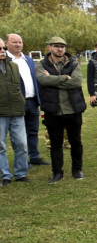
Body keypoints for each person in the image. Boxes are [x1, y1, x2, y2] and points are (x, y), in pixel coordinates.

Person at [35, 37, 86, 183]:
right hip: (53, 110)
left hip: (72, 109)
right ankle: (57, 172)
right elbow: (42, 80)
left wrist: (53, 79)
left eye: (62, 46)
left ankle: (77, 170)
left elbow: (76, 82)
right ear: (49, 47)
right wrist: (64, 78)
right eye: (56, 46)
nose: (60, 49)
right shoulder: (41, 64)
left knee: (76, 141)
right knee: (55, 143)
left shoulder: (73, 63)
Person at [5, 33, 48, 165]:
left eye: (20, 42)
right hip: (17, 103)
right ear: (6, 44)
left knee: (33, 130)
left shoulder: (28, 59)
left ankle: (34, 157)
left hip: (32, 101)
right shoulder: (5, 60)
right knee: (19, 134)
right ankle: (23, 161)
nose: (18, 45)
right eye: (14, 42)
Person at [0, 37, 30, 186]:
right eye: (0, 49)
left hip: (17, 111)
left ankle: (21, 173)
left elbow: (17, 87)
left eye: (3, 49)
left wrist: (21, 103)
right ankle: (5, 174)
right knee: (1, 147)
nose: (3, 52)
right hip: (1, 114)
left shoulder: (13, 66)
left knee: (21, 144)